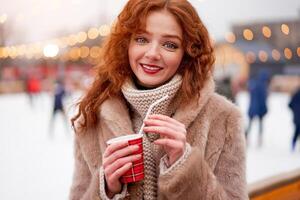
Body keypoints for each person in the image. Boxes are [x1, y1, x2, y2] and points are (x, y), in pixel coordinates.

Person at [69, 1, 248, 199]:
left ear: (187, 53)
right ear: (126, 44)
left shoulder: (223, 119)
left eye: (170, 45)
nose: (152, 54)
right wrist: (107, 189)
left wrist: (185, 166)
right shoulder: (92, 117)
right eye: (141, 39)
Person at [245, 70, 269, 147]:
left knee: (251, 124)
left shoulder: (254, 84)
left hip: (253, 107)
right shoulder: (262, 86)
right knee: (258, 124)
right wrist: (264, 109)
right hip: (258, 108)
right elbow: (262, 99)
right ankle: (258, 139)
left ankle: (247, 138)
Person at [289, 84, 300, 151]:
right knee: (297, 131)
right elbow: (290, 104)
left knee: (296, 131)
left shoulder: (296, 94)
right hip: (298, 116)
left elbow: (290, 104)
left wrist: (295, 111)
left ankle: (293, 144)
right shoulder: (296, 95)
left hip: (297, 116)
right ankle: (293, 144)